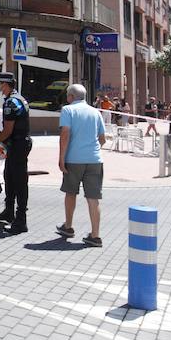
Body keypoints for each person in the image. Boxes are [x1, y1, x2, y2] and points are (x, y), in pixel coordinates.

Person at [55, 84, 106, 246]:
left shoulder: (68, 110)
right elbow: (102, 138)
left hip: (74, 159)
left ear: (70, 96)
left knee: (70, 193)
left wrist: (61, 158)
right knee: (94, 198)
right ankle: (95, 235)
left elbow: (65, 134)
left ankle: (68, 226)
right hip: (95, 159)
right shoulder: (95, 112)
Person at [0, 72, 31, 234]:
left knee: (19, 182)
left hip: (18, 145)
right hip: (18, 144)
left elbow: (8, 130)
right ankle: (9, 211)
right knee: (9, 177)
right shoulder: (18, 98)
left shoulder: (11, 103)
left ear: (5, 84)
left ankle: (20, 221)